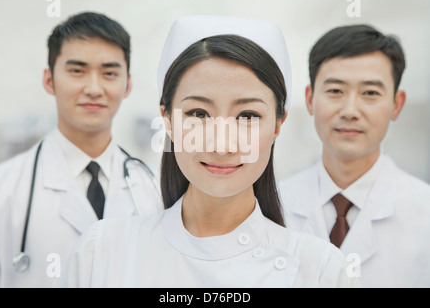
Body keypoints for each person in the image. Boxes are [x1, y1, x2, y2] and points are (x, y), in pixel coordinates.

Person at [61, 15, 358, 288]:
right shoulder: (101, 253)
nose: (222, 144)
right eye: (199, 113)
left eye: (248, 116)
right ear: (168, 119)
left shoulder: (320, 271)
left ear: (278, 124)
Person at [0, 12, 163, 287]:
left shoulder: (154, 189)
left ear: (128, 84)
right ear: (49, 80)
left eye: (109, 73)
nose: (93, 88)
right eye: (77, 71)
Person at [279, 24, 430, 287]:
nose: (350, 110)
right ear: (310, 99)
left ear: (396, 104)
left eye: (370, 93)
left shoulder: (424, 212)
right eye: (335, 91)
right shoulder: (269, 206)